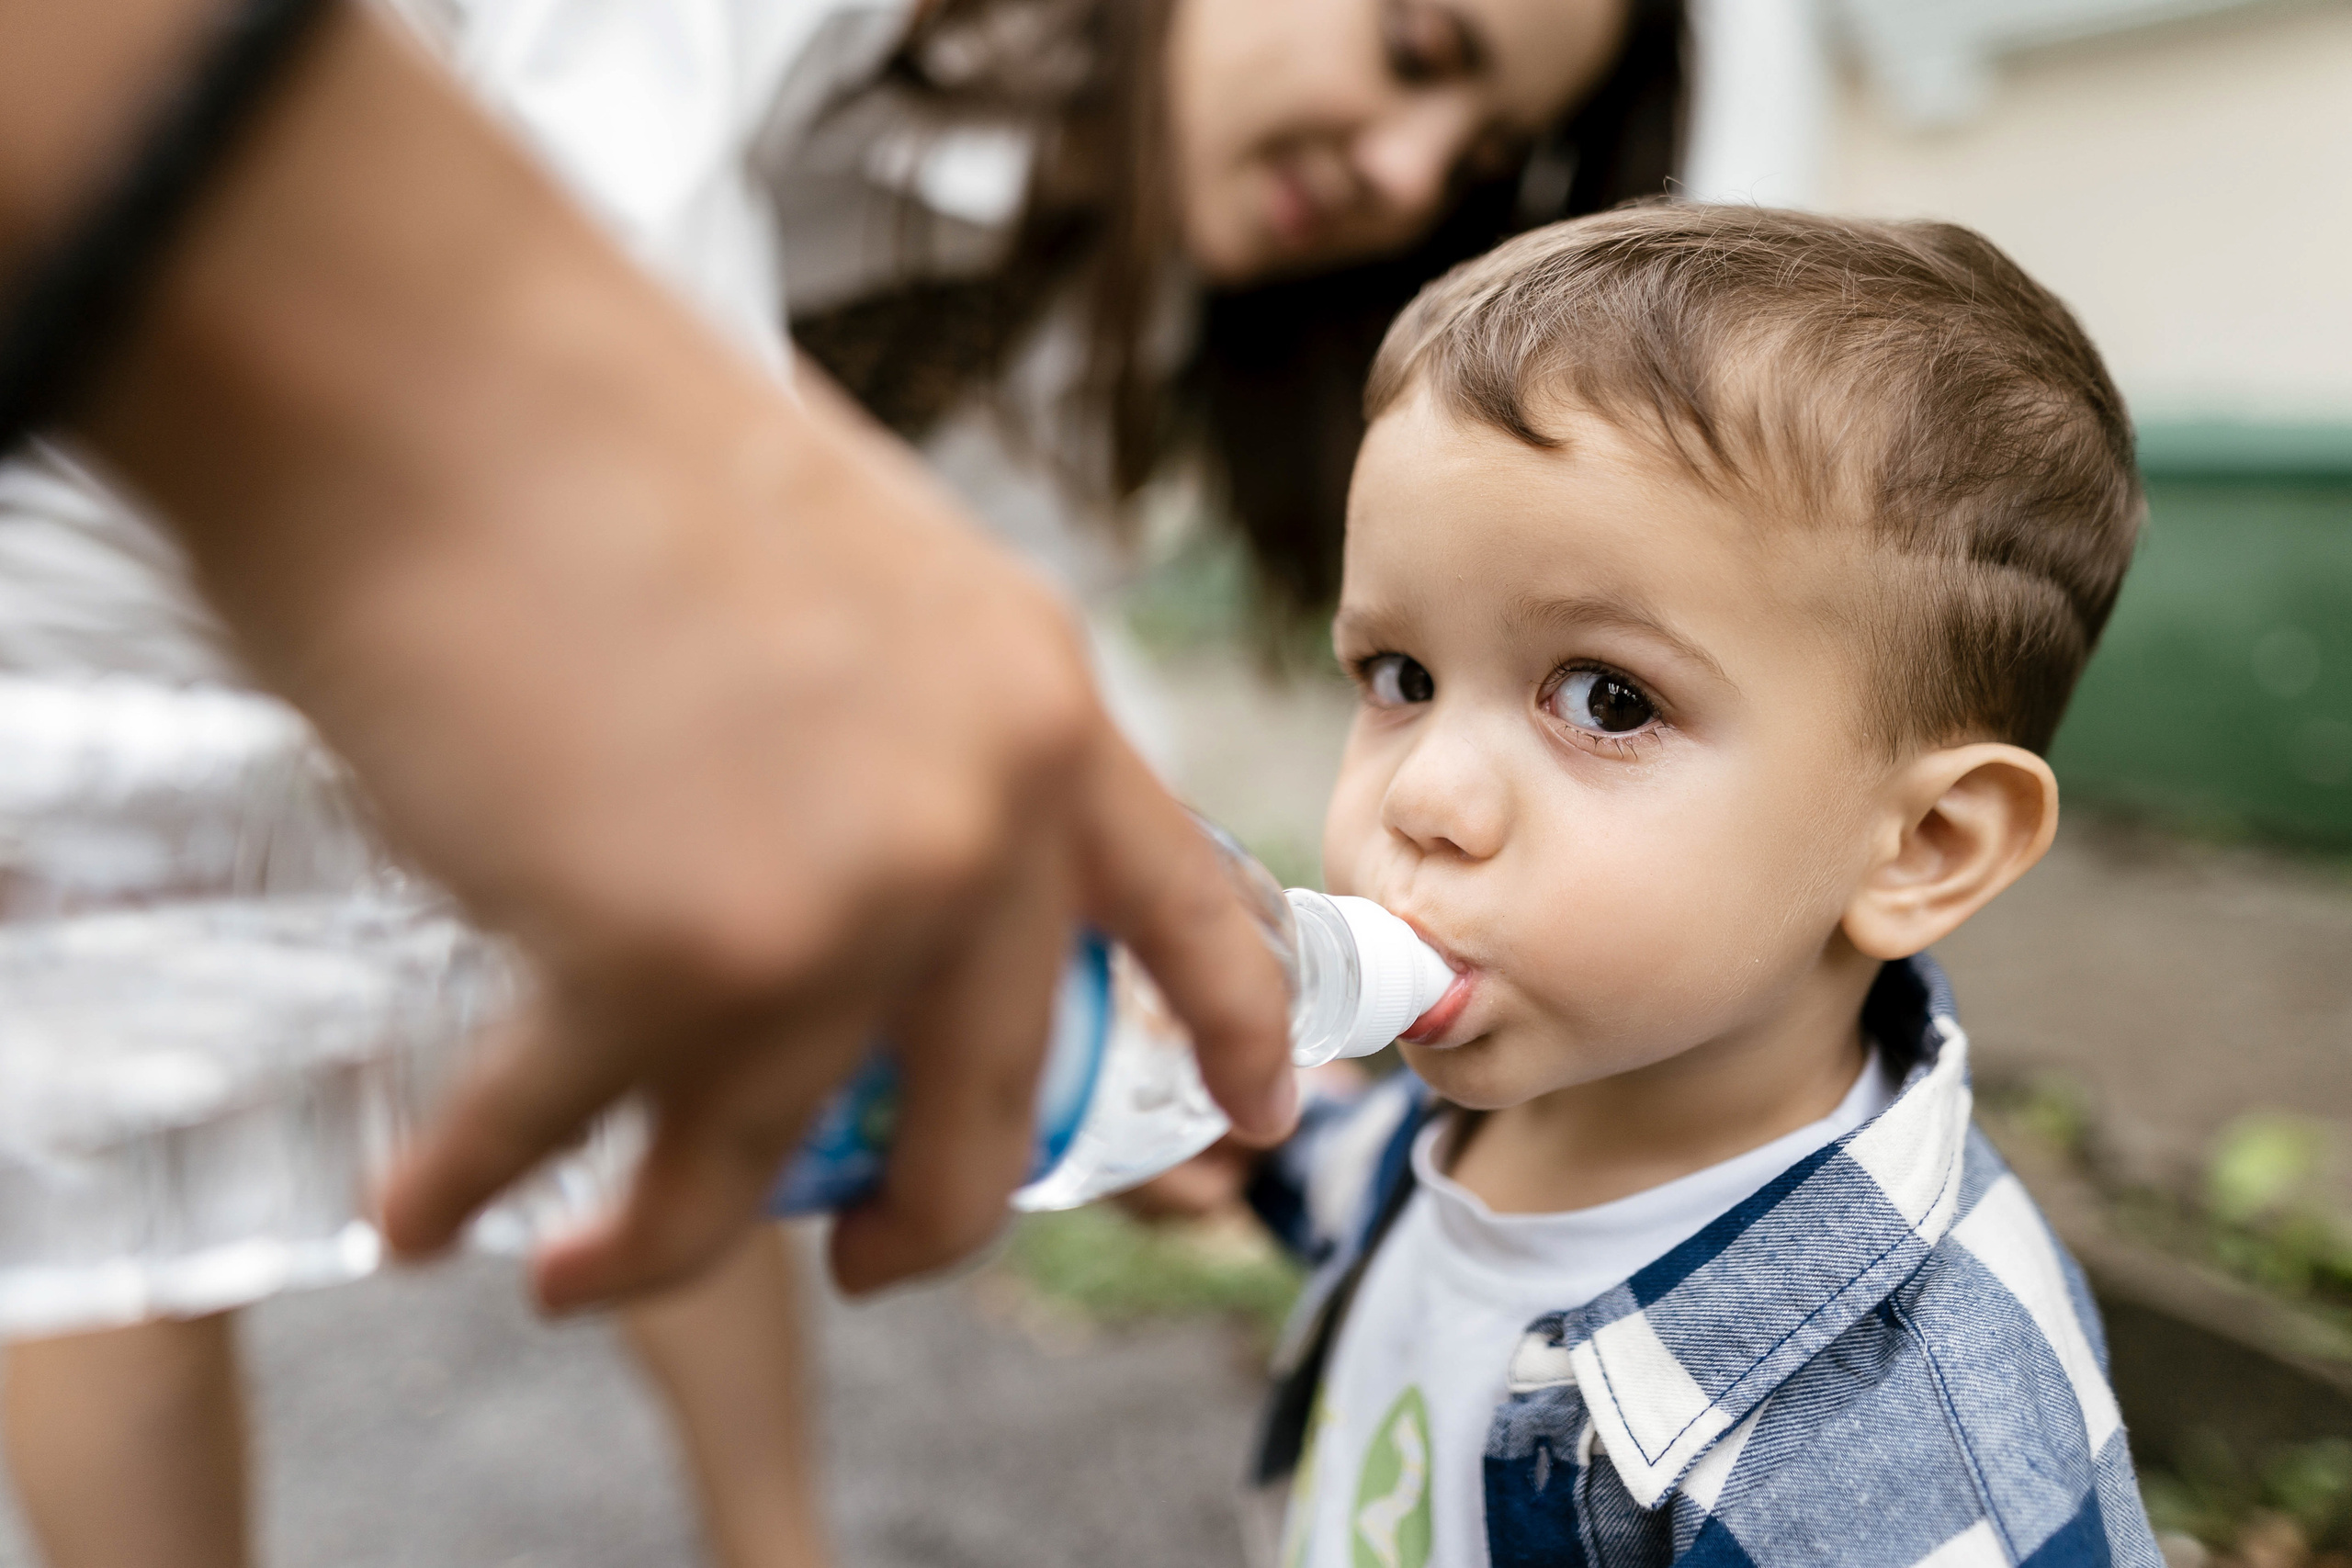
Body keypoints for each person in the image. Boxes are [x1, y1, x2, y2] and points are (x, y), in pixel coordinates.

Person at [0, 1, 1683, 1563]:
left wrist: (1148, 924)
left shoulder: (1109, 309)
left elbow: (1008, 621)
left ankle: (773, 1543)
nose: (1405, 172)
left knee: (764, 1006)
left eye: (1469, 157)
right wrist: (737, 517)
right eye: (1414, 50)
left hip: (505, 600)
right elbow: (565, 160)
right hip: (136, 482)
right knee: (94, 1107)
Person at [1148, 205, 2161, 1566]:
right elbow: (1409, 1205)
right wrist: (1251, 1142)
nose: (1423, 796)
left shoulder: (1900, 1456)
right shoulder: (1550, 1083)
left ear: (1924, 846)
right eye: (1400, 677)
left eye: (1607, 699)